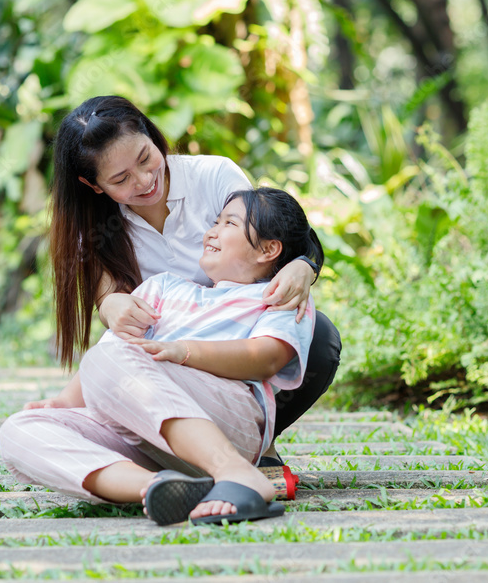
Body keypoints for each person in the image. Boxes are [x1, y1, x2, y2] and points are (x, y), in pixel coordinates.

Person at [0, 188, 321, 525]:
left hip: (230, 425)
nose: (212, 230)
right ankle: (162, 487)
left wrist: (184, 351)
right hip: (149, 442)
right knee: (20, 430)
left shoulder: (276, 296)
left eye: (229, 223)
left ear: (268, 249)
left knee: (110, 357)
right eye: (215, 221)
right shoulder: (164, 288)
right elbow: (110, 351)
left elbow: (267, 356)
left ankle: (235, 471)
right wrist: (65, 402)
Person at [47, 95, 341, 464]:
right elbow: (109, 305)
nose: (145, 180)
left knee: (317, 335)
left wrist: (303, 264)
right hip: (167, 360)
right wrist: (112, 304)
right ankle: (178, 455)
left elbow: (269, 232)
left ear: (152, 136)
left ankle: (250, 444)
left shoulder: (212, 176)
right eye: (121, 179)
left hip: (238, 342)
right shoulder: (92, 227)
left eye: (145, 158)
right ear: (93, 186)